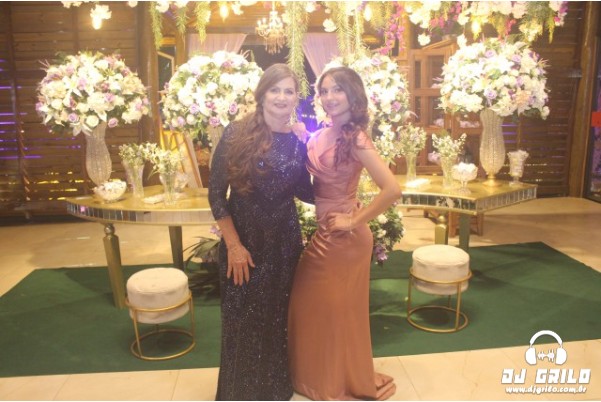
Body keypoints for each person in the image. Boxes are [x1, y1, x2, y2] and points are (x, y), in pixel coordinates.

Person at [288, 66, 402, 400]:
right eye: (324, 91)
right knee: (313, 306)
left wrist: (353, 221)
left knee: (332, 309)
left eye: (337, 89)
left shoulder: (357, 138)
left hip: (345, 239)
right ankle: (322, 377)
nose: (329, 97)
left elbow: (392, 189)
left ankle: (332, 381)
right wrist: (298, 140)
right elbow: (312, 181)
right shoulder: (324, 132)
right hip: (325, 233)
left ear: (352, 95)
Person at [208, 63, 314, 400]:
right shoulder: (235, 134)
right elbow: (216, 195)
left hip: (284, 245)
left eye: (289, 91)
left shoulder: (297, 142)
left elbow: (306, 192)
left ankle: (274, 390)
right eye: (275, 90)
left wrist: (322, 155)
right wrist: (234, 246)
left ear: (296, 98)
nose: (282, 97)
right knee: (241, 321)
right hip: (244, 246)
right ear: (262, 94)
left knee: (276, 319)